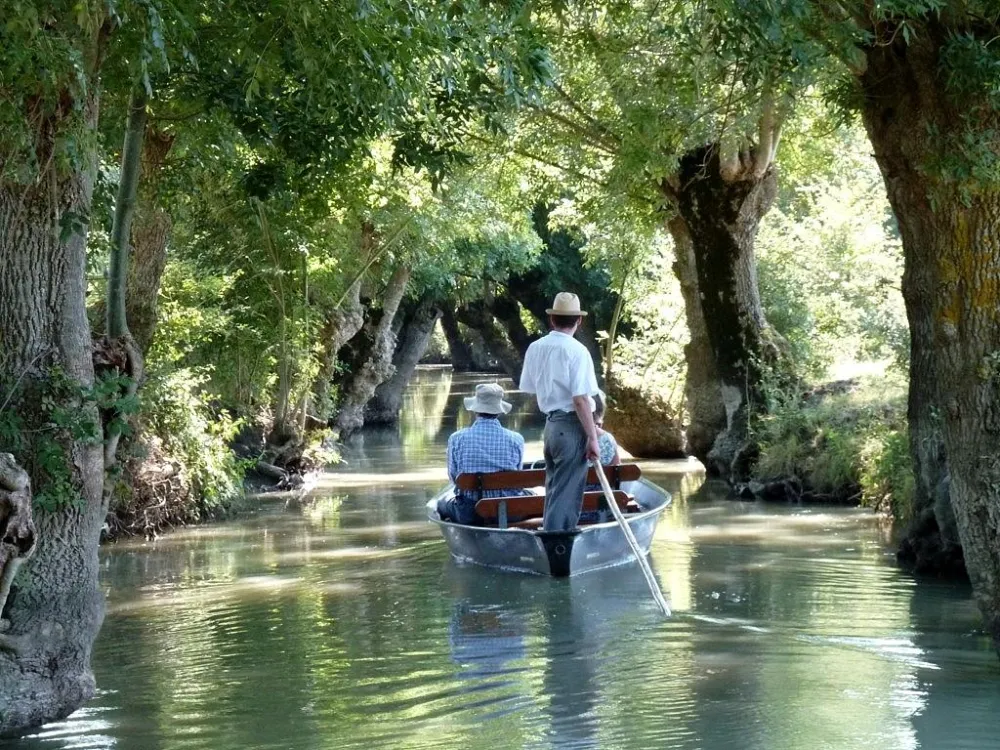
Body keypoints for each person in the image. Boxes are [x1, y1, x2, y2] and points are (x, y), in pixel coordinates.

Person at [519, 292, 601, 531]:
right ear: (579, 320)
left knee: (555, 488)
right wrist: (593, 438)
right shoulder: (577, 351)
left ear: (552, 319)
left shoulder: (535, 347)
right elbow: (580, 400)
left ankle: (551, 537)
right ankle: (557, 542)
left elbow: (530, 387)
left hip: (551, 426)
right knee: (567, 494)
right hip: (571, 426)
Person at [438, 383, 527, 525]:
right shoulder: (517, 439)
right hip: (509, 512)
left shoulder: (457, 438)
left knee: (440, 503)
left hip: (471, 513)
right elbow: (518, 482)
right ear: (499, 411)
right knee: (530, 495)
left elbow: (454, 478)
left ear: (475, 410)